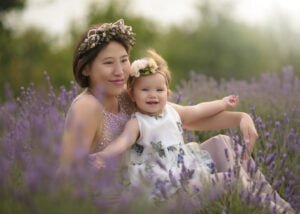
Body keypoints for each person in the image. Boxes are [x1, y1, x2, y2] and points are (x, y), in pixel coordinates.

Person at [60, 19, 294, 213]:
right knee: (230, 181)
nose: (120, 70)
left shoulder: (125, 95)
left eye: (123, 60)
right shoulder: (87, 106)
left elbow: (186, 117)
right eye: (108, 63)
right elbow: (67, 175)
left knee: (224, 145)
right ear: (86, 68)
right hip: (132, 200)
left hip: (161, 176)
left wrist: (240, 117)